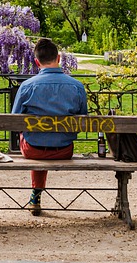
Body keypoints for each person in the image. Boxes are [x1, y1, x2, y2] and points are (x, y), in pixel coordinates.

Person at [11, 37, 87, 215]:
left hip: (33, 150)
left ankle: (35, 195)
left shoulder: (26, 86)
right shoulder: (77, 86)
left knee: (33, 139)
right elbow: (83, 118)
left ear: (37, 62)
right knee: (46, 138)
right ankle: (36, 196)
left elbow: (14, 120)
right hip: (64, 149)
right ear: (58, 58)